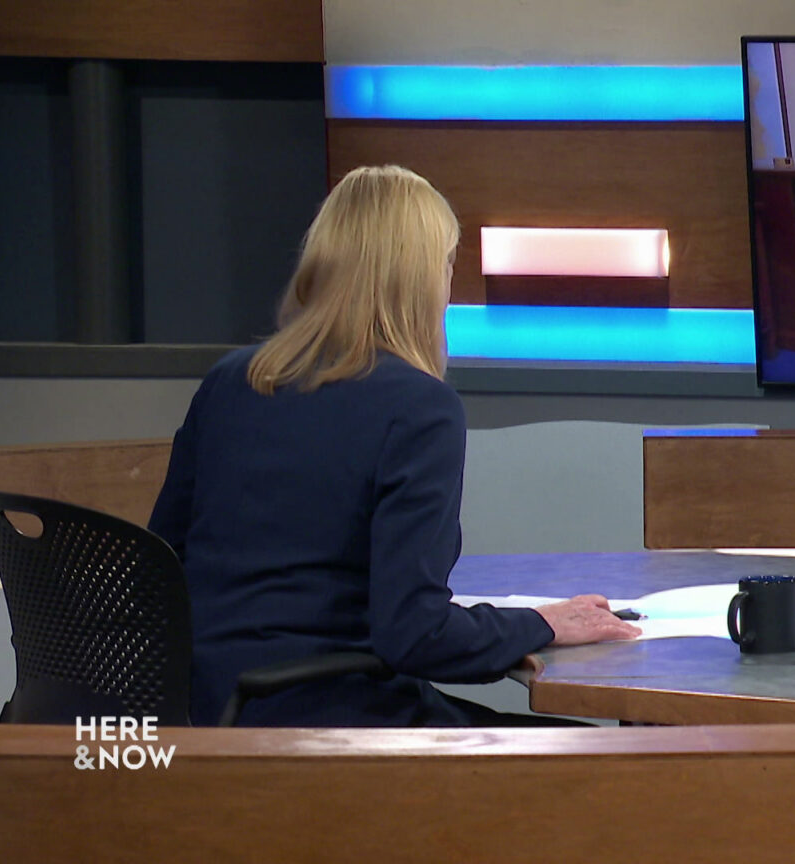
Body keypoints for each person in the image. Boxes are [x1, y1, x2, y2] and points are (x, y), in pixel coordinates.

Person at [148, 165, 640, 727]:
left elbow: (159, 568)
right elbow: (415, 633)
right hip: (332, 719)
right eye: (447, 264)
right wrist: (542, 624)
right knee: (615, 764)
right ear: (422, 279)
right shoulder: (419, 408)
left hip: (206, 714)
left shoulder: (231, 381)